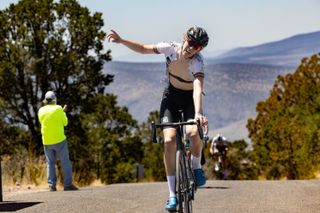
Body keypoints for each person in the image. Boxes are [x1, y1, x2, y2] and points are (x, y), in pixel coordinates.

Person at [107, 26, 209, 211]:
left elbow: (197, 88)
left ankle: (196, 166)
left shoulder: (198, 62)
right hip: (170, 98)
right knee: (169, 140)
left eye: (197, 47)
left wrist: (198, 113)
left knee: (193, 133)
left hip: (189, 101)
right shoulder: (170, 49)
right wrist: (122, 41)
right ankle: (172, 195)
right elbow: (144, 48)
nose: (192, 48)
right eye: (191, 42)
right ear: (184, 37)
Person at [38, 91, 78, 191]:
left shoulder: (41, 110)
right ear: (54, 99)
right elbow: (65, 123)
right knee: (65, 162)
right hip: (59, 140)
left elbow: (44, 121)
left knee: (50, 163)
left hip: (46, 141)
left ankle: (52, 185)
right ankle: (68, 185)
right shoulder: (59, 108)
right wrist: (63, 112)